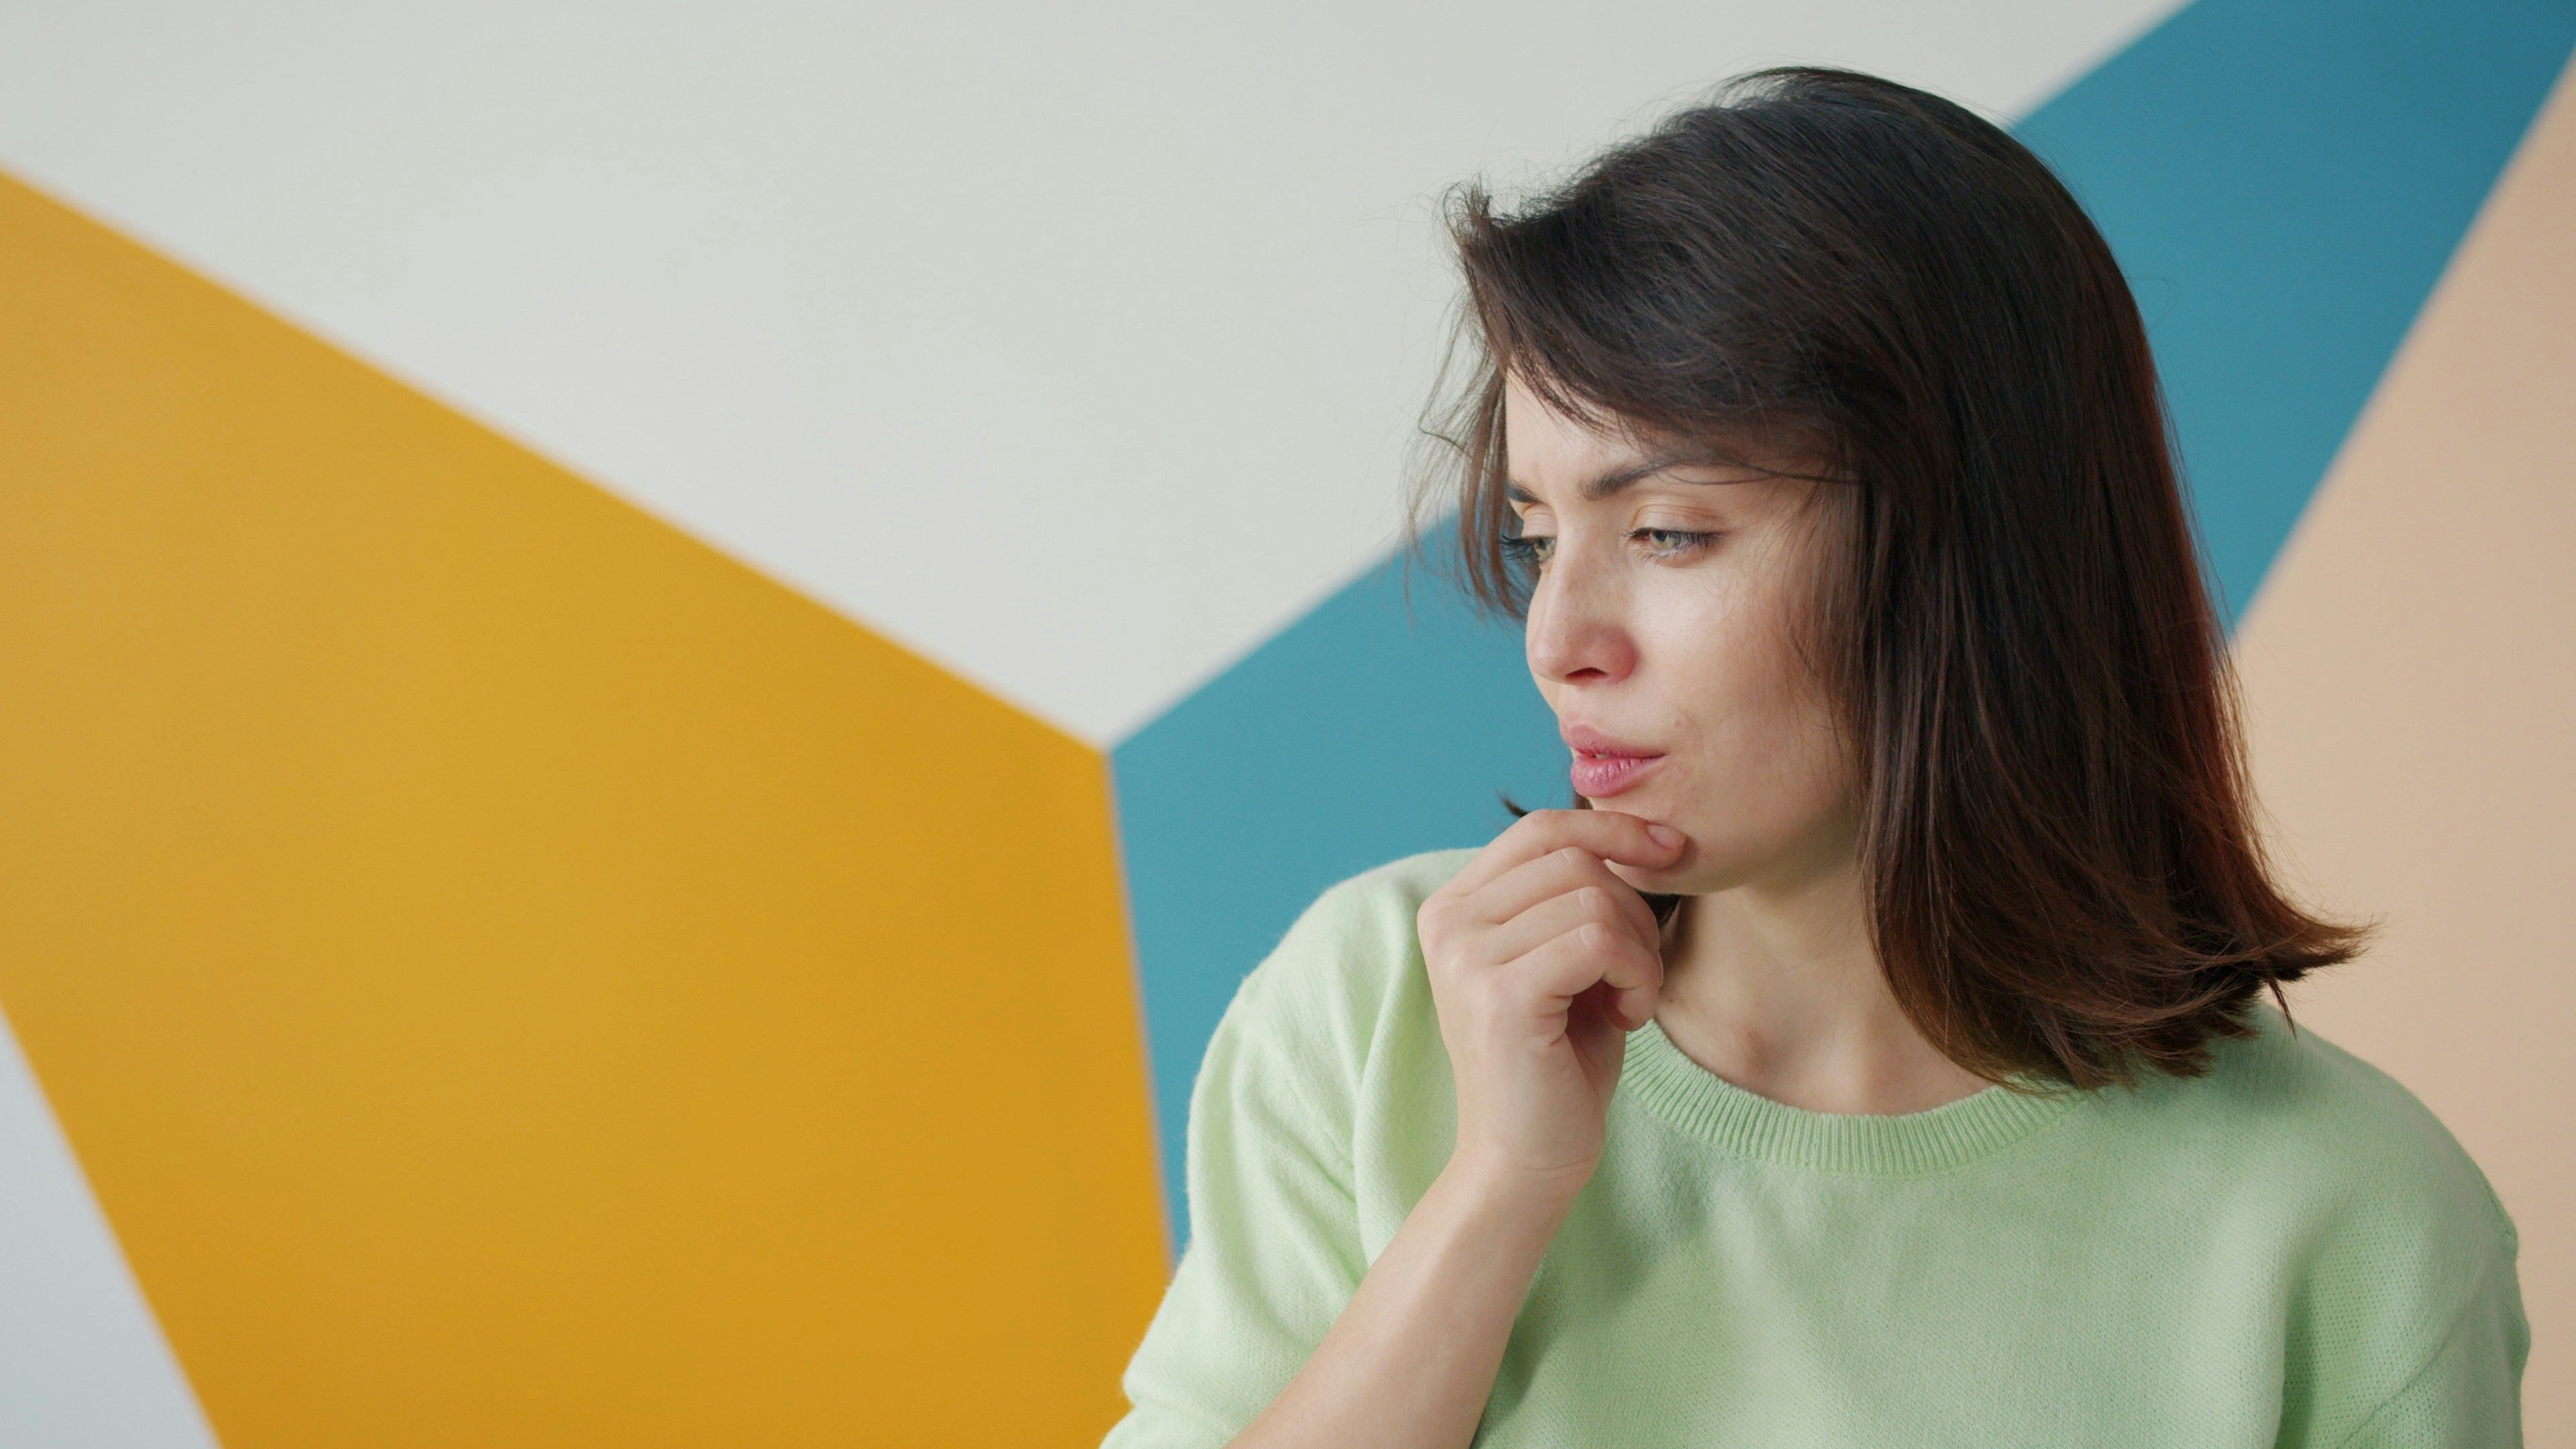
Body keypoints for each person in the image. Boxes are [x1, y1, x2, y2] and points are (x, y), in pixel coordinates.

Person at [1099, 66, 2527, 1447]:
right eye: (1537, 539)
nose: (1558, 638)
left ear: (1971, 552)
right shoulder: (1381, 1013)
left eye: (1667, 532)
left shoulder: (2353, 1222)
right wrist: (1497, 1192)